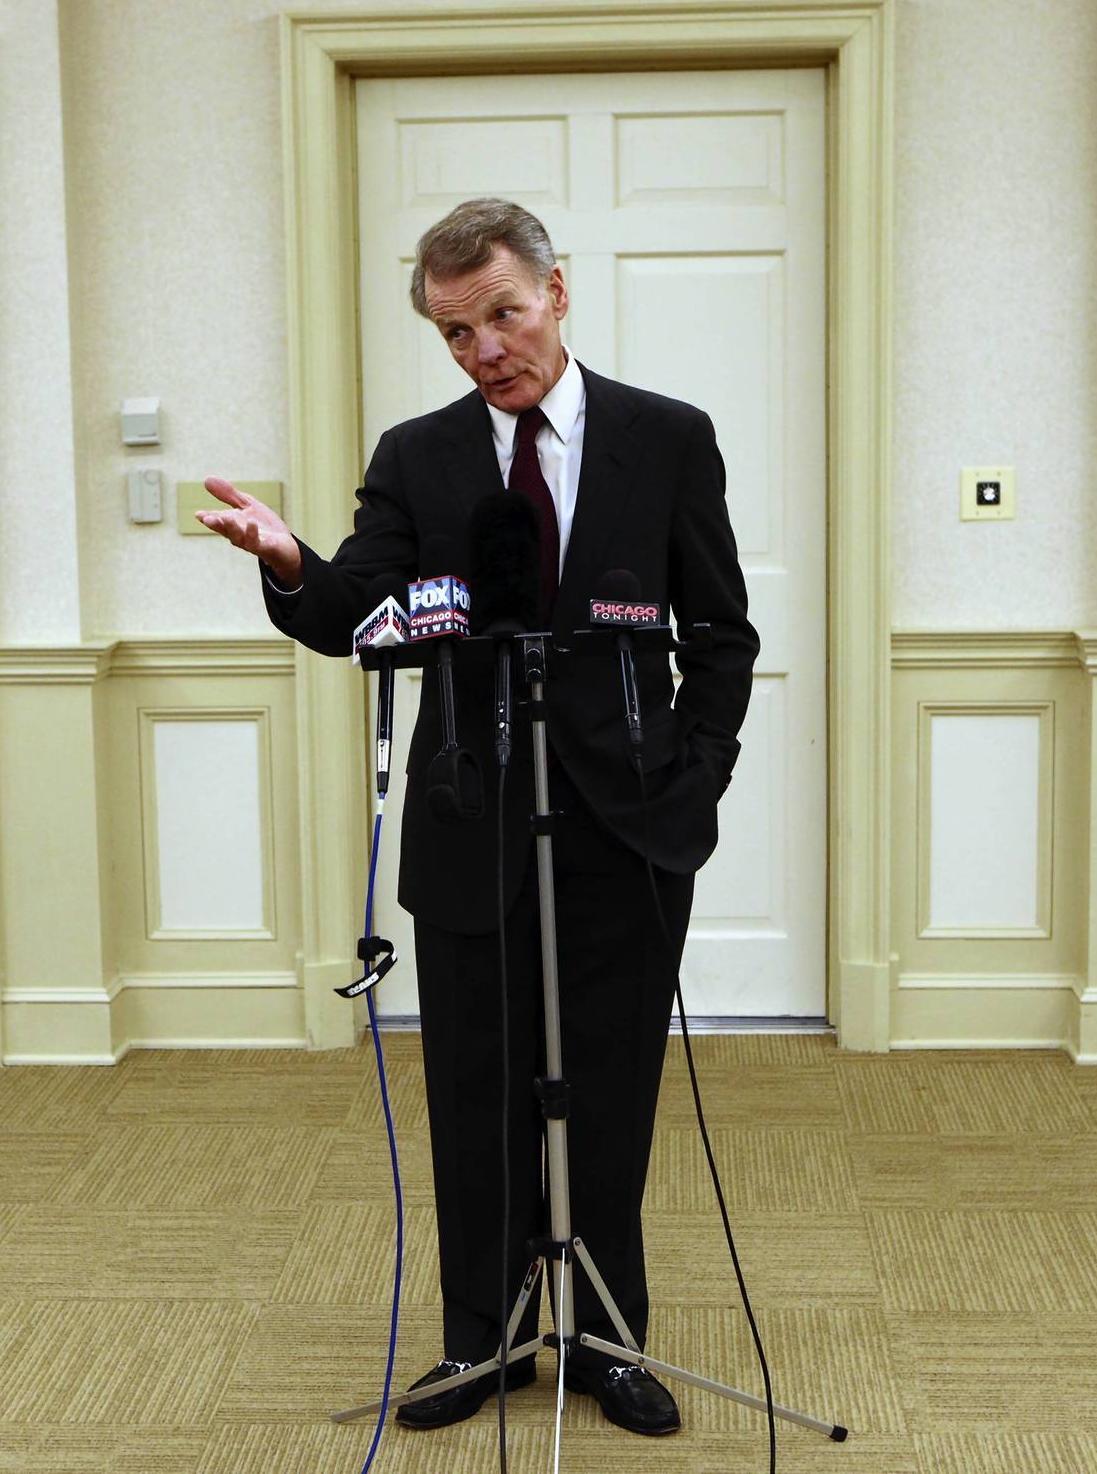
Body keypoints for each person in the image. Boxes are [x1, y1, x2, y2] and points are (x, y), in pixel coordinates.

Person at [196, 198, 757, 1438]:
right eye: (455, 333)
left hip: (628, 825)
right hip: (469, 821)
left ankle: (607, 1340)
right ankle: (484, 1341)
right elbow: (354, 607)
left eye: (500, 314)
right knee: (478, 1090)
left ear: (557, 292)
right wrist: (287, 558)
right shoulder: (419, 455)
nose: (483, 349)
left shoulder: (665, 439)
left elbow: (719, 631)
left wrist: (696, 778)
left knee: (608, 1086)